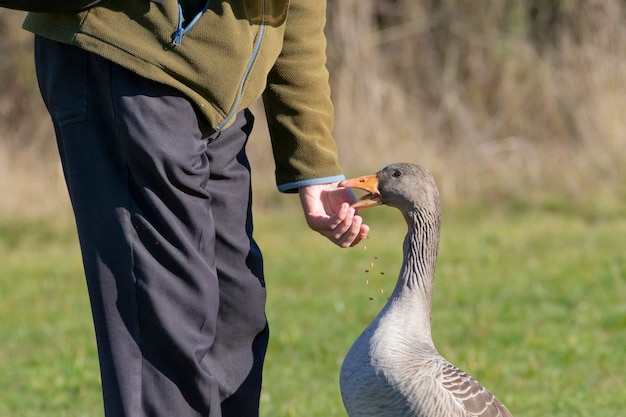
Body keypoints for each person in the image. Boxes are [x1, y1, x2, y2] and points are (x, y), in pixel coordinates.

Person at [22, 1, 369, 416]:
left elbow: (294, 13)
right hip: (134, 60)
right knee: (168, 330)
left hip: (218, 101)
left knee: (235, 317)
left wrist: (312, 165)